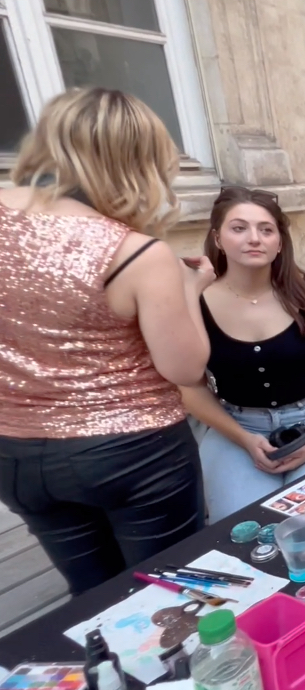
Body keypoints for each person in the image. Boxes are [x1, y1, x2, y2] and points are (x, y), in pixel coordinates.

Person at [0, 88, 212, 594]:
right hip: (132, 452)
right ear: (135, 163)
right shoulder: (133, 252)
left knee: (91, 595)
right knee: (166, 590)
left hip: (16, 449)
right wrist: (192, 289)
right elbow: (185, 368)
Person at [181, 187, 305, 523]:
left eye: (266, 229)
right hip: (237, 426)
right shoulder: (198, 299)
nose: (254, 238)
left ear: (279, 242)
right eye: (239, 228)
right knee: (244, 527)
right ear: (217, 239)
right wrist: (245, 440)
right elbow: (190, 387)